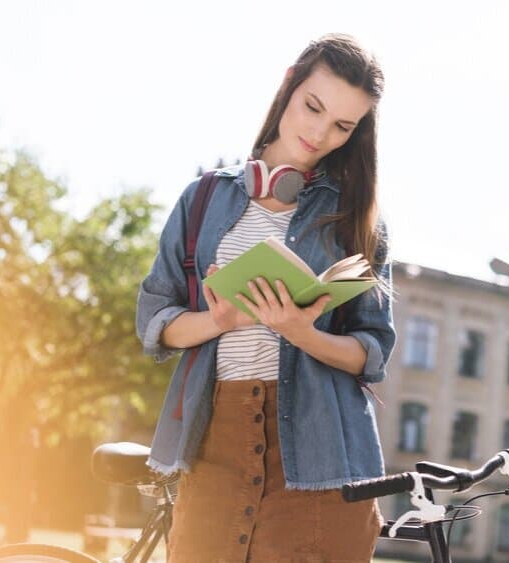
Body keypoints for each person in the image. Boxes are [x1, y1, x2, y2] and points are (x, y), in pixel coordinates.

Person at [135, 33, 394, 561]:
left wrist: (303, 334)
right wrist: (219, 320)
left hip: (320, 450)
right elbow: (156, 319)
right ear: (289, 85)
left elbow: (372, 350)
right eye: (312, 107)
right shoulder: (203, 198)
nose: (320, 133)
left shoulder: (357, 216)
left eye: (343, 126)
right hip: (214, 440)